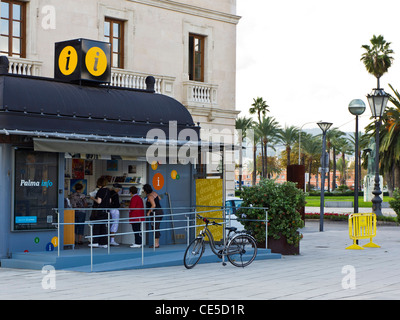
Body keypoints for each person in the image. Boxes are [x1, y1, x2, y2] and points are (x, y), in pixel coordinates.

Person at [89, 177, 111, 248]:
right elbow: (110, 201)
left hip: (100, 211)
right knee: (104, 227)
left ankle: (95, 242)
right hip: (106, 211)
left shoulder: (100, 191)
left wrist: (92, 198)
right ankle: (104, 243)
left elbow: (99, 201)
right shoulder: (108, 190)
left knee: (97, 226)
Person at [143, 183, 163, 248]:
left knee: (154, 227)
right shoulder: (154, 193)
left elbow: (153, 205)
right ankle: (157, 243)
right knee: (156, 227)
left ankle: (156, 244)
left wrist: (149, 212)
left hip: (155, 213)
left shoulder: (150, 196)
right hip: (160, 212)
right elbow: (159, 198)